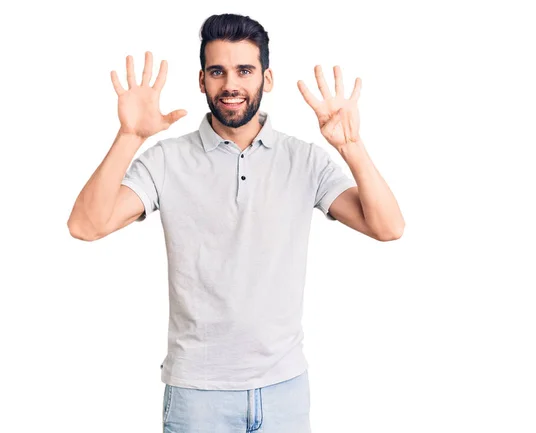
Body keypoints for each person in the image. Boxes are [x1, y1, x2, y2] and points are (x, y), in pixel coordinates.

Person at [67, 13, 404, 433]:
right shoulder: (167, 160)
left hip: (284, 391)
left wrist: (352, 146)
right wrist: (130, 137)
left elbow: (388, 227)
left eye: (245, 70)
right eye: (217, 71)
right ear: (202, 80)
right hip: (197, 395)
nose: (231, 84)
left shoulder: (304, 160)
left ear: (267, 77)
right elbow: (86, 225)